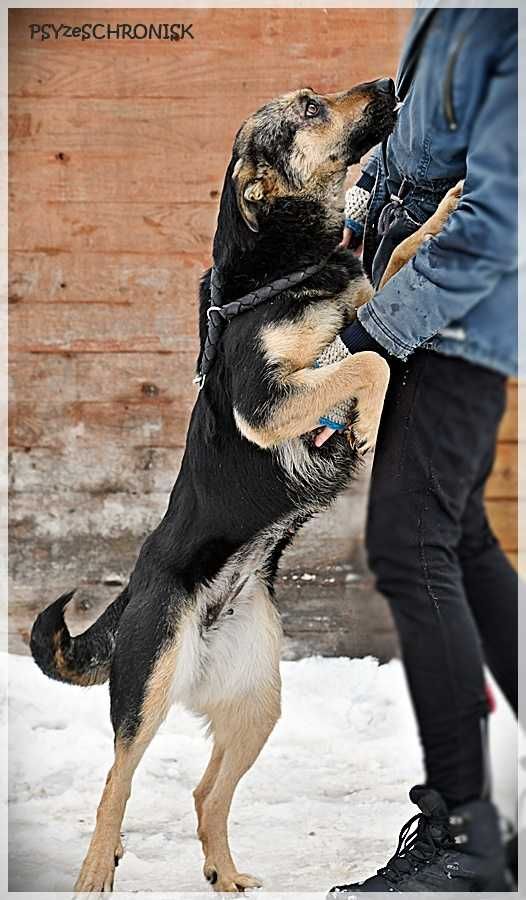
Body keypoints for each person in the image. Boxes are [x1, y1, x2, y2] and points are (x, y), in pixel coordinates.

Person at [315, 7, 518, 894]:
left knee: (411, 547)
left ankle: (465, 837)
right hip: (417, 313)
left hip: (454, 326)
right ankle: (469, 829)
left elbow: (494, 223)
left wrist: (370, 339)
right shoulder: (449, 11)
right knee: (459, 540)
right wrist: (347, 213)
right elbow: (409, 157)